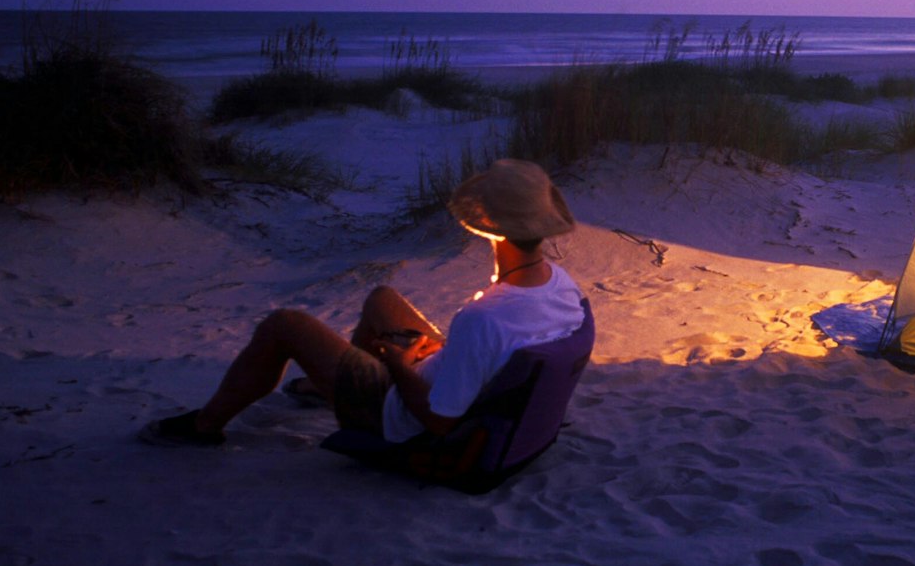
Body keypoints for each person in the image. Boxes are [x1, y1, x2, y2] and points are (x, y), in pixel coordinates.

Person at [142, 159, 585, 447]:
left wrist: (394, 363)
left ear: (490, 226)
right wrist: (432, 358)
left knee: (285, 325)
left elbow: (440, 422)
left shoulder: (482, 318)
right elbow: (493, 353)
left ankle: (206, 425)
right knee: (382, 299)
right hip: (452, 377)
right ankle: (330, 385)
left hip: (402, 412)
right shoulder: (565, 288)